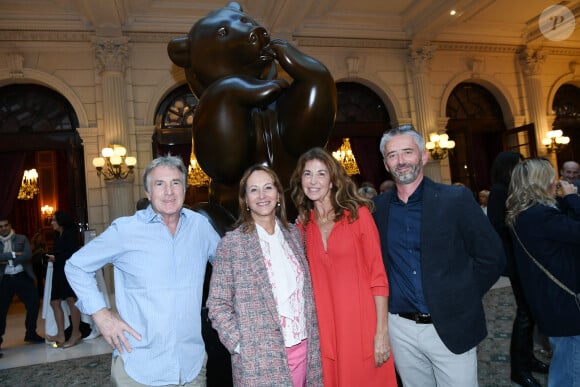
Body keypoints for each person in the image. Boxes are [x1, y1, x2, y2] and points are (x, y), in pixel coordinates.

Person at [65, 155, 221, 386]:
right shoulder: (126, 231)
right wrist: (101, 314)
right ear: (148, 193)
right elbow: (76, 266)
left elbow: (231, 265)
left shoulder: (200, 227)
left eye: (175, 183)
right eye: (160, 184)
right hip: (139, 368)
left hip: (190, 367)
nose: (169, 191)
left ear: (185, 189)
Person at [372, 125, 505, 387]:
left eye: (407, 152)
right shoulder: (378, 209)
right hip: (401, 330)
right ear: (386, 163)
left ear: (423, 156)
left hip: (450, 323)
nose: (401, 161)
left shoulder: (455, 199)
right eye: (392, 155)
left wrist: (460, 296)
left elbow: (492, 258)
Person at [289, 147, 397, 386]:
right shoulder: (302, 228)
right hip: (327, 335)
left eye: (321, 173)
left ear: (332, 180)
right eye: (308, 174)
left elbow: (378, 277)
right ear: (301, 181)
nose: (313, 180)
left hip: (362, 328)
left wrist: (381, 332)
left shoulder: (358, 216)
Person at [207, 164, 322, 386]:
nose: (262, 196)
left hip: (304, 350)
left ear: (278, 194)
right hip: (258, 360)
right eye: (253, 190)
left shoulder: (294, 236)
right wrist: (241, 346)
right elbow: (218, 304)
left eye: (268, 188)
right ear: (245, 200)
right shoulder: (232, 244)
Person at [505, 158, 580, 387]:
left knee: (567, 362)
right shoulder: (540, 216)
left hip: (550, 301)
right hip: (562, 305)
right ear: (540, 181)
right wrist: (572, 198)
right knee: (570, 369)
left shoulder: (526, 213)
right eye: (551, 176)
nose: (556, 180)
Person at [487, 151, 549, 387]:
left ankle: (528, 358)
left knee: (529, 312)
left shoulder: (511, 190)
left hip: (522, 258)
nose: (523, 168)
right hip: (514, 260)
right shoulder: (499, 192)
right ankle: (518, 368)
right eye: (519, 165)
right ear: (508, 168)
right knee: (524, 314)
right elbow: (498, 228)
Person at [0, 218, 44, 358]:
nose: (4, 228)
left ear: (10, 225)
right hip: (4, 279)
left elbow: (27, 255)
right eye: (1, 227)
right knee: (1, 311)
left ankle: (31, 333)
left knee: (34, 303)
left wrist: (5, 259)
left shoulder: (21, 238)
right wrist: (14, 254)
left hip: (22, 276)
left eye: (6, 225)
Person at [44, 211, 83, 348]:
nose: (52, 223)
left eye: (54, 220)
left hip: (68, 271)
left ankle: (75, 333)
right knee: (54, 302)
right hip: (58, 271)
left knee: (71, 300)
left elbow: (73, 254)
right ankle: (61, 334)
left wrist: (56, 258)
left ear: (61, 221)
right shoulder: (58, 235)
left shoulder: (69, 235)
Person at [30, 228, 47, 298]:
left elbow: (46, 253)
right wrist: (37, 251)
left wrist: (43, 251)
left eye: (41, 238)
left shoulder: (43, 244)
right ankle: (39, 293)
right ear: (36, 238)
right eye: (39, 238)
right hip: (35, 264)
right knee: (38, 279)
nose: (40, 239)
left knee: (44, 278)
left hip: (42, 263)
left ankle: (44, 292)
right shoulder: (32, 245)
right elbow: (30, 256)